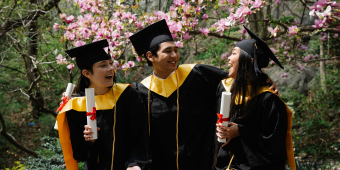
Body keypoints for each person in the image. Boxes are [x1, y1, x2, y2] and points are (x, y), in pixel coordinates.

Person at [129, 20, 279, 170]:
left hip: (203, 163)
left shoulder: (196, 74)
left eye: (176, 50)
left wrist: (263, 79)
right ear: (150, 56)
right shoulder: (141, 91)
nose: (174, 55)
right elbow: (137, 135)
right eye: (168, 51)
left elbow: (237, 79)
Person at [56, 40, 150, 170]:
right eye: (103, 65)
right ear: (87, 73)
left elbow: (141, 135)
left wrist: (135, 163)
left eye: (111, 63)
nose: (111, 68)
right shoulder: (77, 105)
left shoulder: (127, 95)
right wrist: (89, 141)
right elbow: (79, 154)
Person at [214, 26, 295, 170]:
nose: (228, 57)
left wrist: (241, 132)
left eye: (234, 53)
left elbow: (274, 145)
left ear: (249, 61)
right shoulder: (224, 87)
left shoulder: (269, 100)